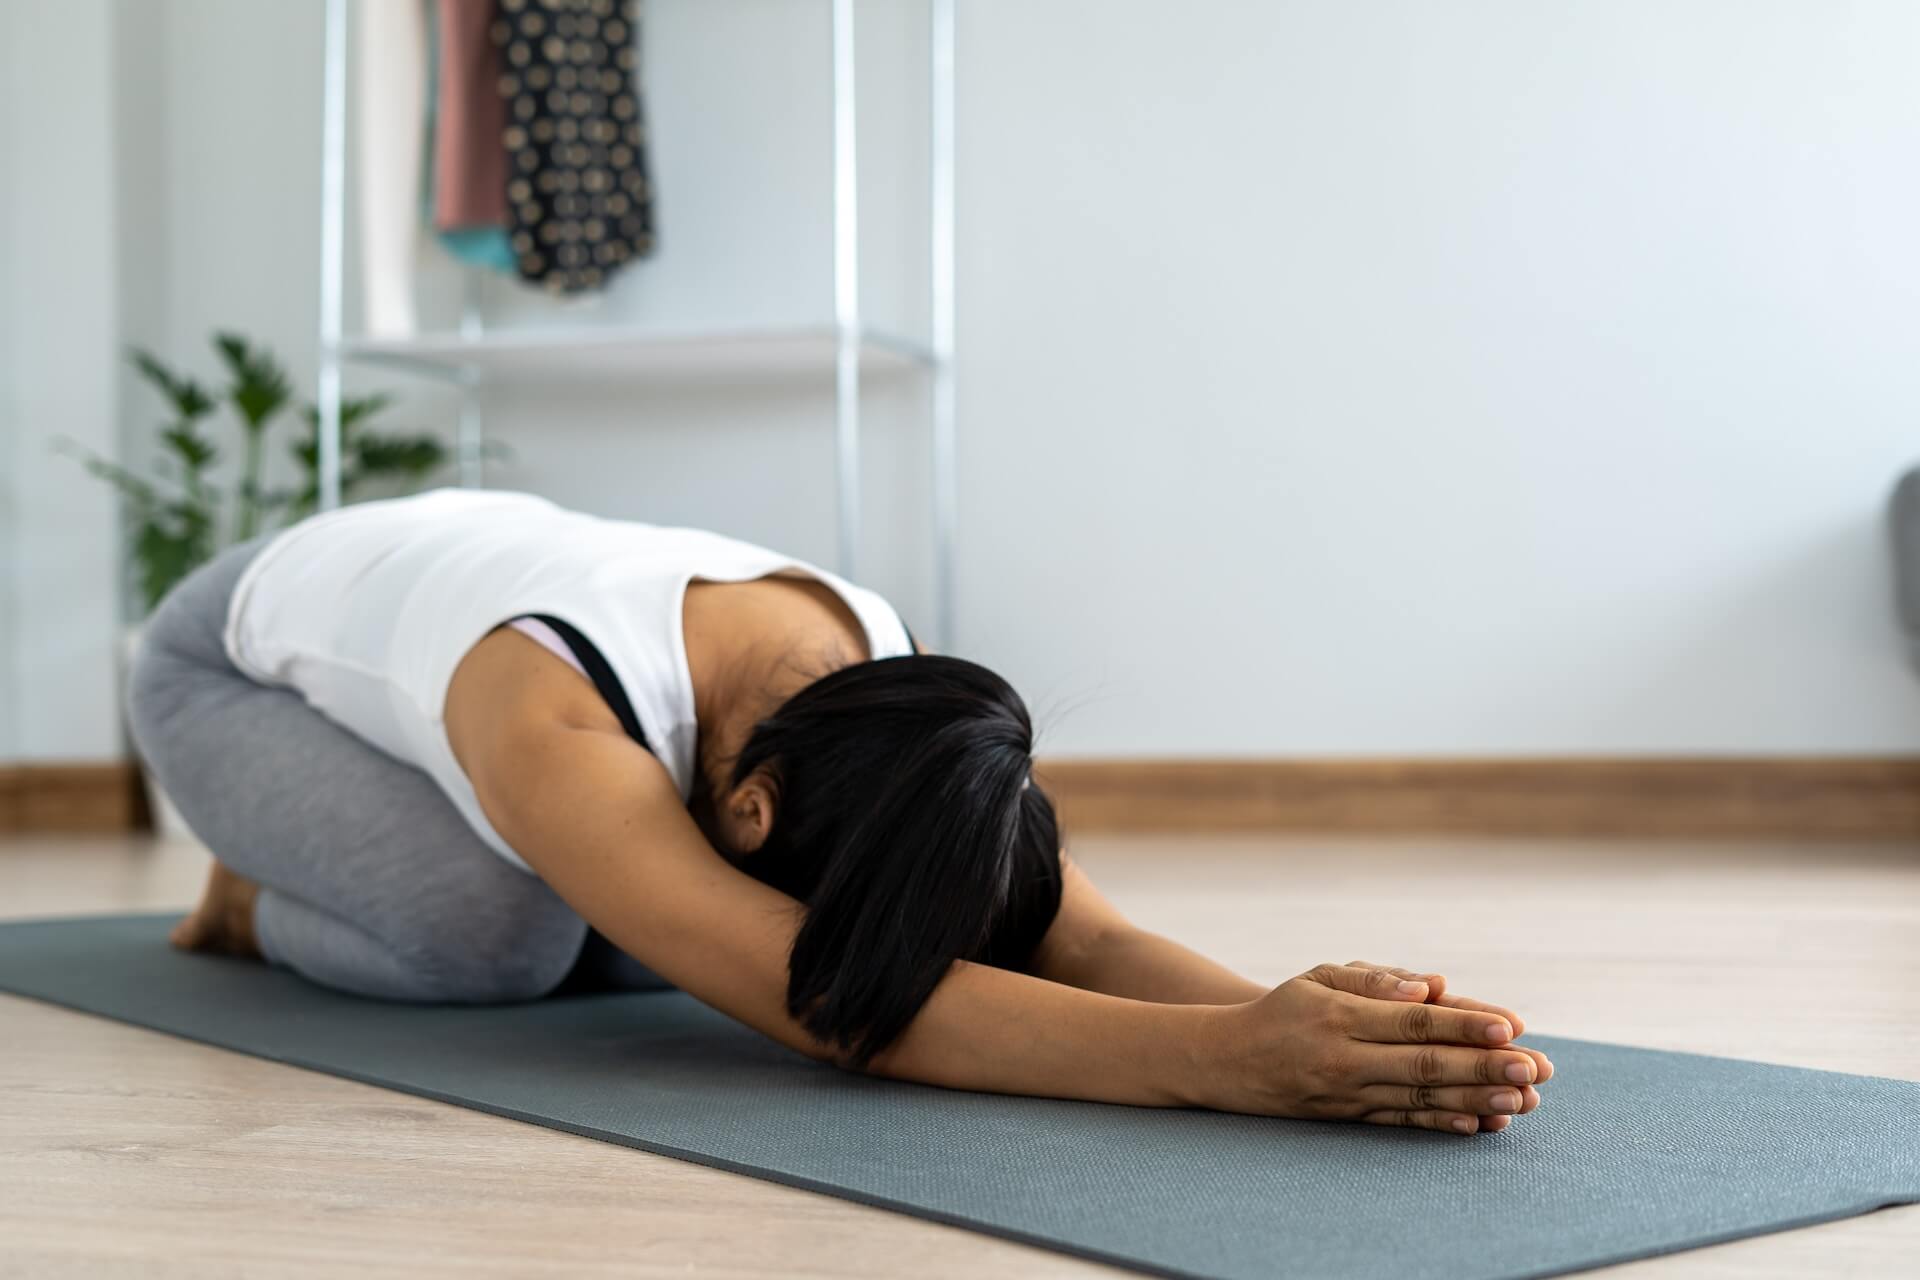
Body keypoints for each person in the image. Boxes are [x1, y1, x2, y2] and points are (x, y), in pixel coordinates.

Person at [130, 488, 1551, 1136]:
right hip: (225, 676)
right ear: (744, 811)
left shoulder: (875, 673)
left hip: (431, 586)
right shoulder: (560, 715)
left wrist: (1301, 1025)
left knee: (629, 932)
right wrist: (1227, 1070)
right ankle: (252, 893)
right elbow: (832, 1001)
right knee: (502, 936)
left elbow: (1077, 935)